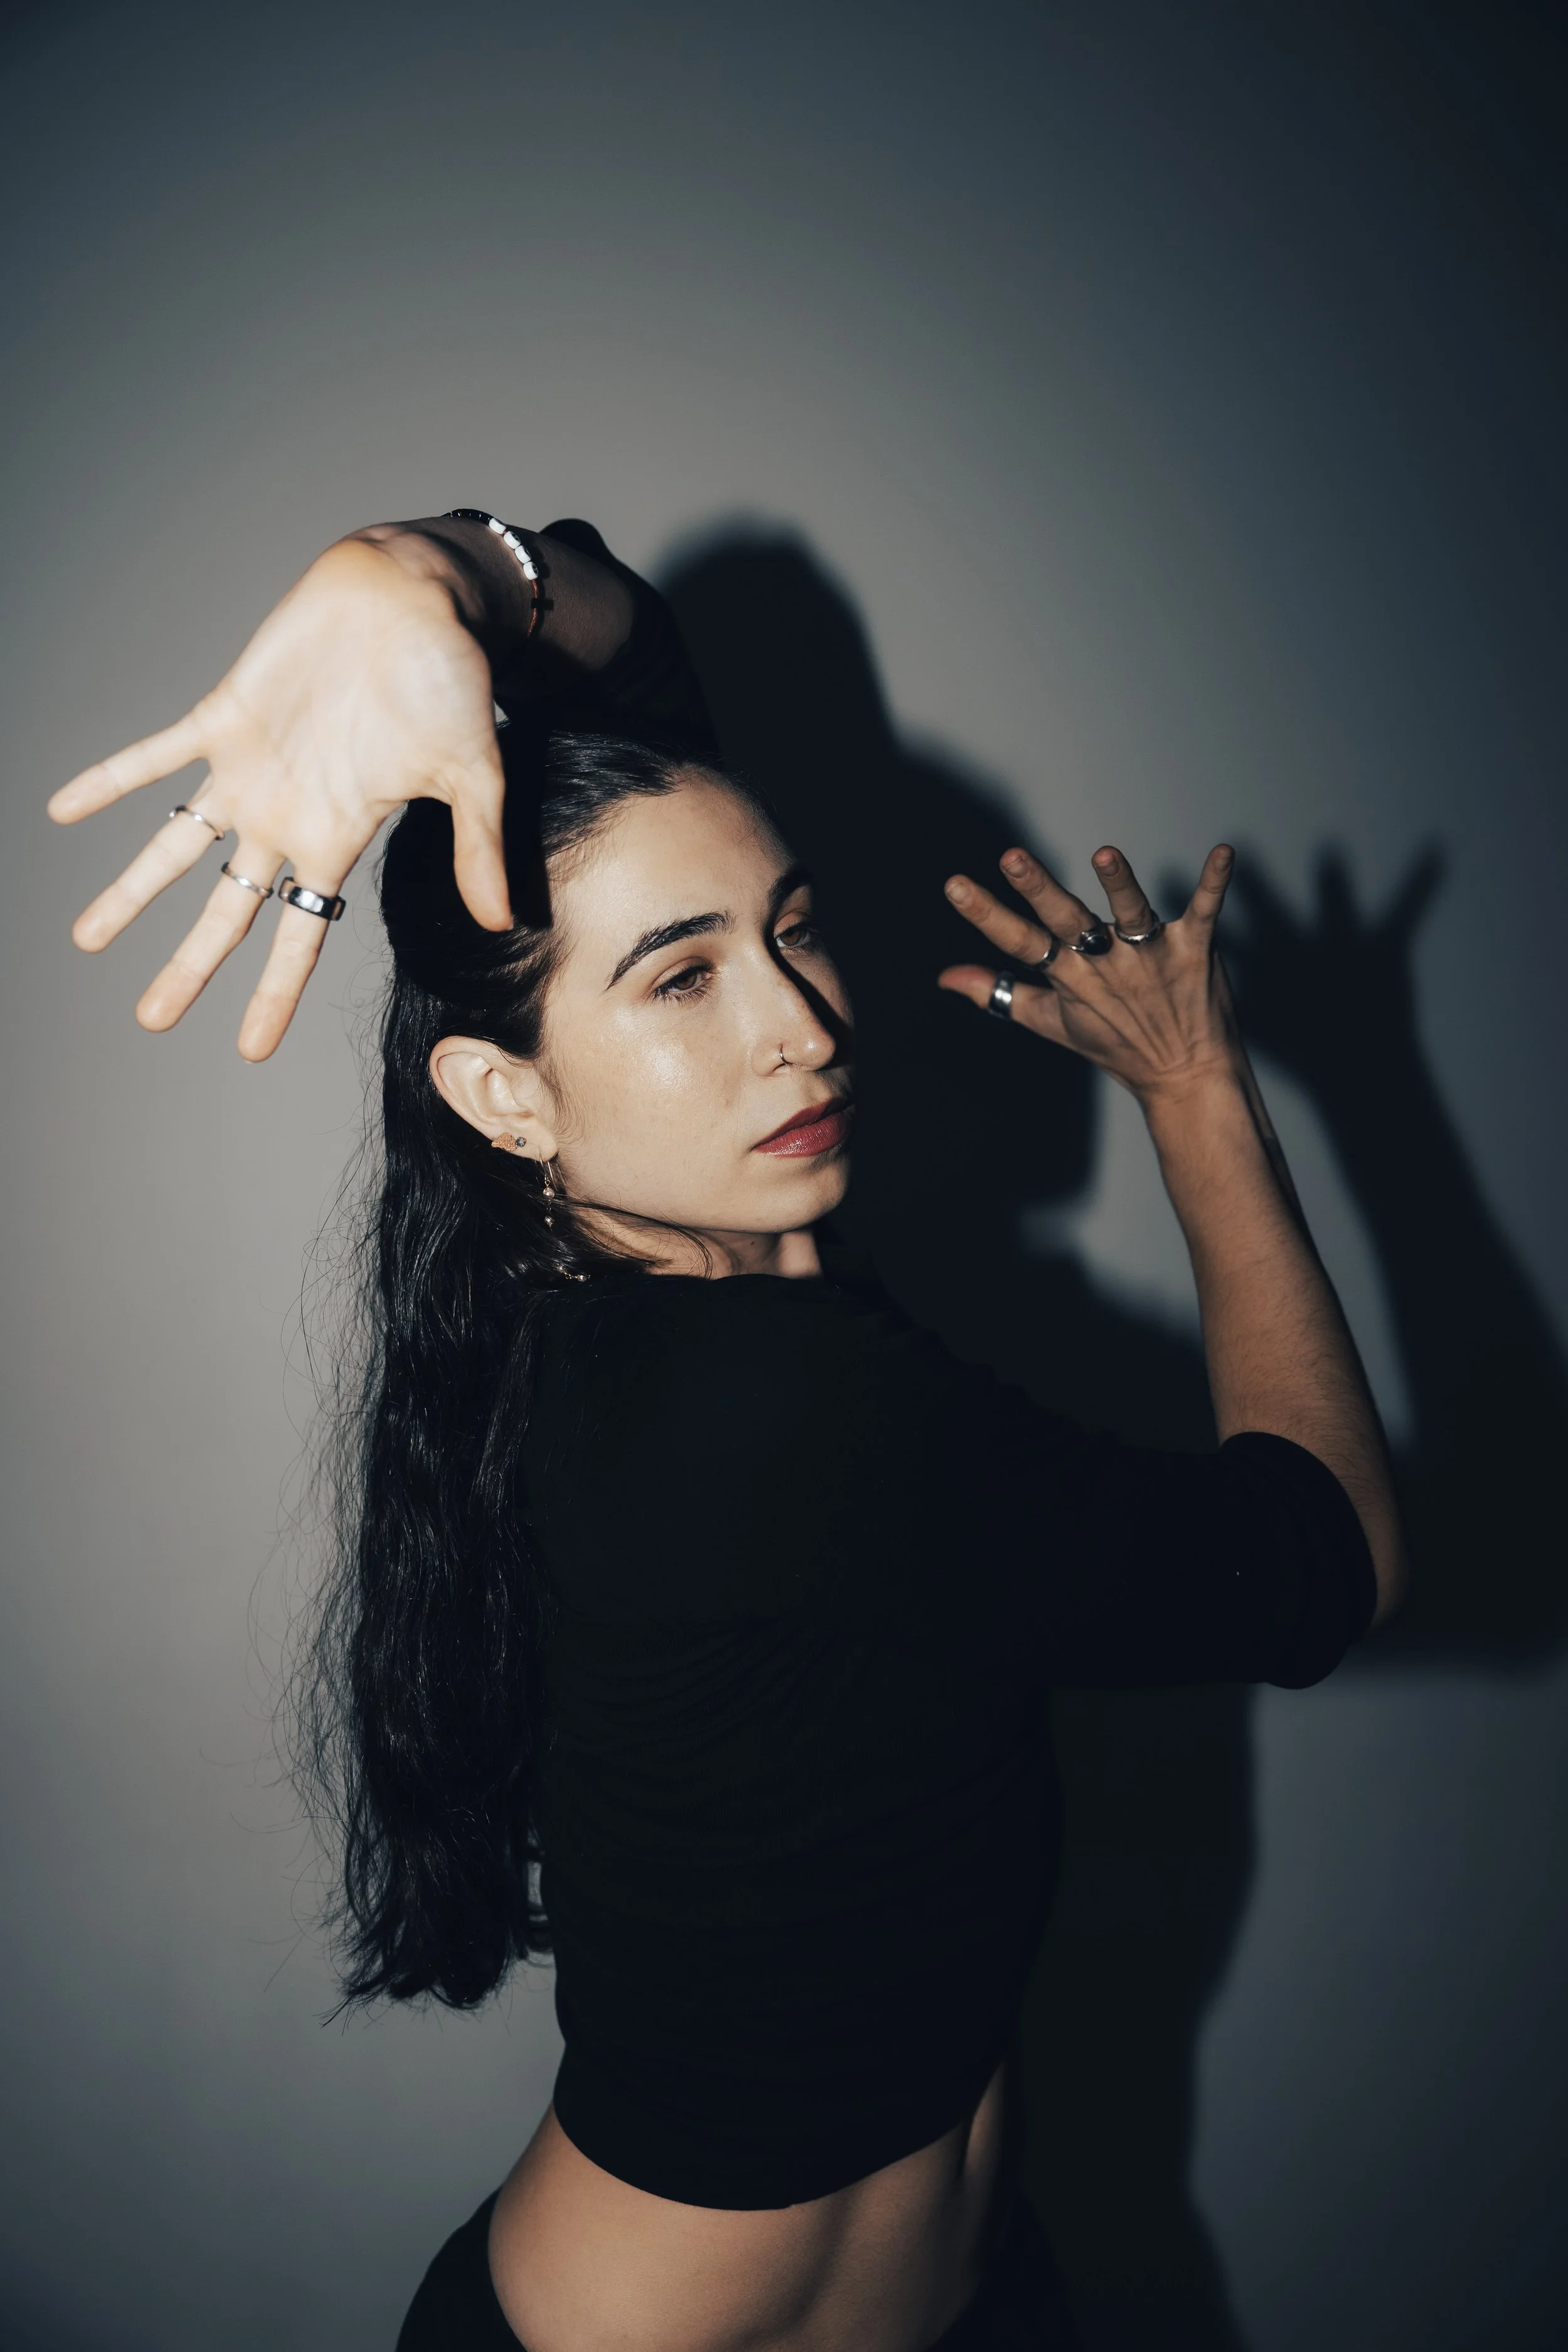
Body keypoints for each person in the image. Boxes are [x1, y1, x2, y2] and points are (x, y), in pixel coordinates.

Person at [48, 510, 1406, 2351]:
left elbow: (637, 672)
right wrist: (1194, 1087)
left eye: (795, 928)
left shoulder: (629, 1331)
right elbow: (1327, 1562)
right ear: (505, 1095)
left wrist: (447, 574)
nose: (805, 1023)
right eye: (682, 978)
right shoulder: (763, 1407)